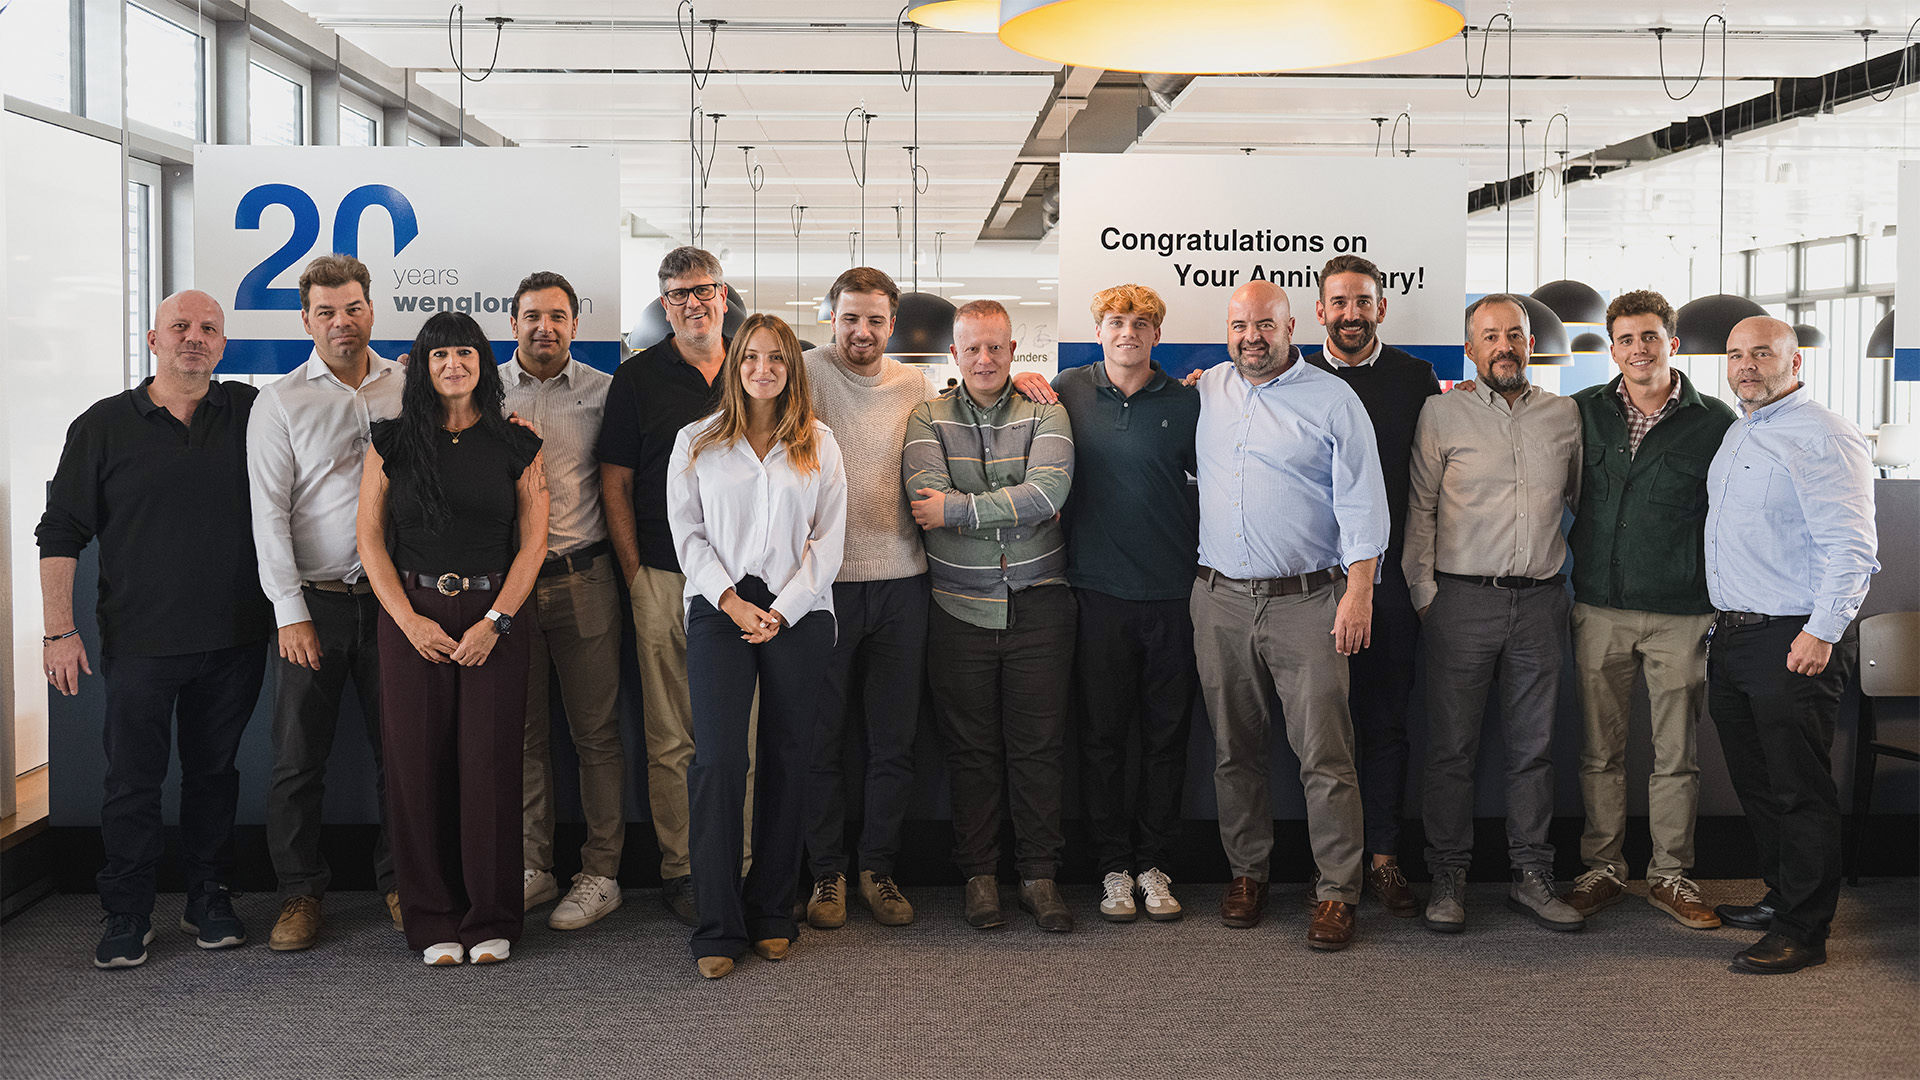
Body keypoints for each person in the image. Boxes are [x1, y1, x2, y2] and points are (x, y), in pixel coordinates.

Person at [39, 290, 272, 970]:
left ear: (223, 346)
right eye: (181, 327)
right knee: (132, 783)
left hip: (233, 637)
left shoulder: (252, 414)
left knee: (214, 776)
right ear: (153, 339)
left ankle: (209, 895)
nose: (193, 338)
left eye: (208, 329)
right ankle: (128, 910)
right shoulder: (104, 425)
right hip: (140, 642)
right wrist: (59, 630)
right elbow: (60, 530)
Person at [1189, 281, 1387, 952]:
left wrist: (1358, 593)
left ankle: (1336, 890)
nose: (1252, 336)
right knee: (1232, 750)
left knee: (1325, 756)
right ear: (1228, 328)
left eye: (1265, 325)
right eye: (1240, 324)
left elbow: (1364, 503)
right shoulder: (1208, 389)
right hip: (1218, 600)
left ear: (1291, 326)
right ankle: (1248, 873)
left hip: (1310, 602)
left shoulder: (1333, 398)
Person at [358, 311, 548, 966]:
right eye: (439, 356)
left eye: (464, 353)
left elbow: (534, 544)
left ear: (482, 363)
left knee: (489, 766)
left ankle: (491, 915)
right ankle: (433, 918)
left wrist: (496, 622)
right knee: (416, 768)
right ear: (423, 368)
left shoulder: (517, 444)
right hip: (411, 618)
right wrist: (409, 622)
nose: (453, 365)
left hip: (495, 618)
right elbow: (369, 541)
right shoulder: (390, 443)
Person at [668, 313, 847, 979]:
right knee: (716, 761)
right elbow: (687, 536)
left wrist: (785, 608)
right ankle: (719, 924)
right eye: (751, 358)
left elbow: (830, 540)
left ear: (792, 369)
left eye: (777, 359)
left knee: (787, 756)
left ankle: (773, 910)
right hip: (720, 609)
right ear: (735, 364)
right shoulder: (697, 442)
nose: (764, 369)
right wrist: (734, 602)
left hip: (800, 612)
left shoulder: (820, 444)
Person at [1405, 293, 1584, 934]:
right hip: (1460, 601)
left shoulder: (1565, 416)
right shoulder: (1440, 413)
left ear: (1530, 343)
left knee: (1533, 750)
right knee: (1452, 749)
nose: (1504, 345)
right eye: (1490, 336)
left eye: (1515, 334)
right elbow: (1419, 511)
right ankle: (1448, 875)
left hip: (1540, 602)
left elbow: (1581, 502)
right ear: (1471, 348)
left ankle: (1531, 876)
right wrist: (1426, 595)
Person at [1558, 290, 1736, 928]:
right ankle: (1603, 867)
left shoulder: (1715, 421)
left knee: (1675, 754)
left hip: (1681, 613)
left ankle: (1671, 876)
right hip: (1598, 610)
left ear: (1673, 344)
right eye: (1627, 339)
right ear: (1613, 348)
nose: (1639, 349)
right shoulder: (1579, 412)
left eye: (1650, 337)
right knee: (1599, 751)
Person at [1706, 316, 1878, 975]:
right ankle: (1784, 898)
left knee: (1800, 788)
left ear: (1794, 360)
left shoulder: (1823, 434)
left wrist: (1822, 632)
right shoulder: (1743, 427)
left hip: (1793, 637)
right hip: (1737, 635)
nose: (1746, 365)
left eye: (1761, 353)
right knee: (1759, 782)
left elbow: (1854, 549)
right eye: (1735, 354)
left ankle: (1805, 931)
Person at [247, 255, 406, 952]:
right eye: (325, 312)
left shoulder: (408, 386)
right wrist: (290, 612)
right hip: (315, 604)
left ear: (371, 309)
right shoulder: (279, 402)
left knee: (400, 753)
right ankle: (300, 892)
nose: (341, 322)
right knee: (296, 758)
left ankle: (403, 881)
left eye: (352, 308)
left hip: (398, 604)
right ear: (306, 319)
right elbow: (268, 515)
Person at [905, 300, 1077, 932]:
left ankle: (1040, 877)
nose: (984, 359)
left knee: (1038, 750)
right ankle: (980, 877)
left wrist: (961, 509)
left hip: (1040, 606)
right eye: (971, 348)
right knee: (971, 752)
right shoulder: (927, 415)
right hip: (956, 609)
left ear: (1013, 350)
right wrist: (1006, 508)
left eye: (996, 348)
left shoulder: (1046, 409)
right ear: (954, 353)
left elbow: (1049, 493)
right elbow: (923, 500)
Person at [599, 246, 742, 926]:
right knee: (670, 737)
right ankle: (684, 869)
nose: (694, 303)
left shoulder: (759, 364)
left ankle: (737, 867)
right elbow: (616, 481)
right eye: (680, 294)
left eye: (704, 290)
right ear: (665, 304)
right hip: (662, 575)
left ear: (723, 295)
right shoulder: (636, 380)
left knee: (742, 732)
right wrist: (633, 573)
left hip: (747, 584)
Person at [1051, 284, 1199, 923]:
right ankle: (1112, 866)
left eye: (1141, 324)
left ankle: (1155, 864)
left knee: (1167, 738)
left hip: (1176, 596)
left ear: (1157, 336)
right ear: (1099, 329)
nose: (1127, 333)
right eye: (1115, 321)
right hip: (1097, 594)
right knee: (1103, 738)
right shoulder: (1064, 391)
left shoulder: (1191, 401)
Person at [1304, 255, 1441, 917]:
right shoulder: (1291, 376)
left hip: (1386, 582)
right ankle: (1333, 866)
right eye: (1339, 302)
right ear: (1319, 310)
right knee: (1319, 733)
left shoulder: (1416, 379)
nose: (1350, 314)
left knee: (1386, 723)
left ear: (1381, 308)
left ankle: (1384, 859)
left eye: (1362, 302)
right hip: (1307, 582)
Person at [800, 268, 929, 930]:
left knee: (892, 742)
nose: (862, 331)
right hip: (823, 586)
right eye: (851, 318)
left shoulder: (913, 382)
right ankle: (827, 875)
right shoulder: (805, 374)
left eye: (875, 320)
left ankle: (878, 869)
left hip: (903, 580)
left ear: (892, 324)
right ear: (831, 318)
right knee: (822, 741)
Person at [504, 272, 628, 933]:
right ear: (513, 322)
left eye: (556, 316)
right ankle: (533, 866)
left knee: (597, 737)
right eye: (531, 316)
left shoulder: (606, 394)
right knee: (524, 738)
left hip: (586, 580)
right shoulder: (480, 388)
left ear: (576, 325)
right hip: (508, 590)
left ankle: (602, 872)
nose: (543, 327)